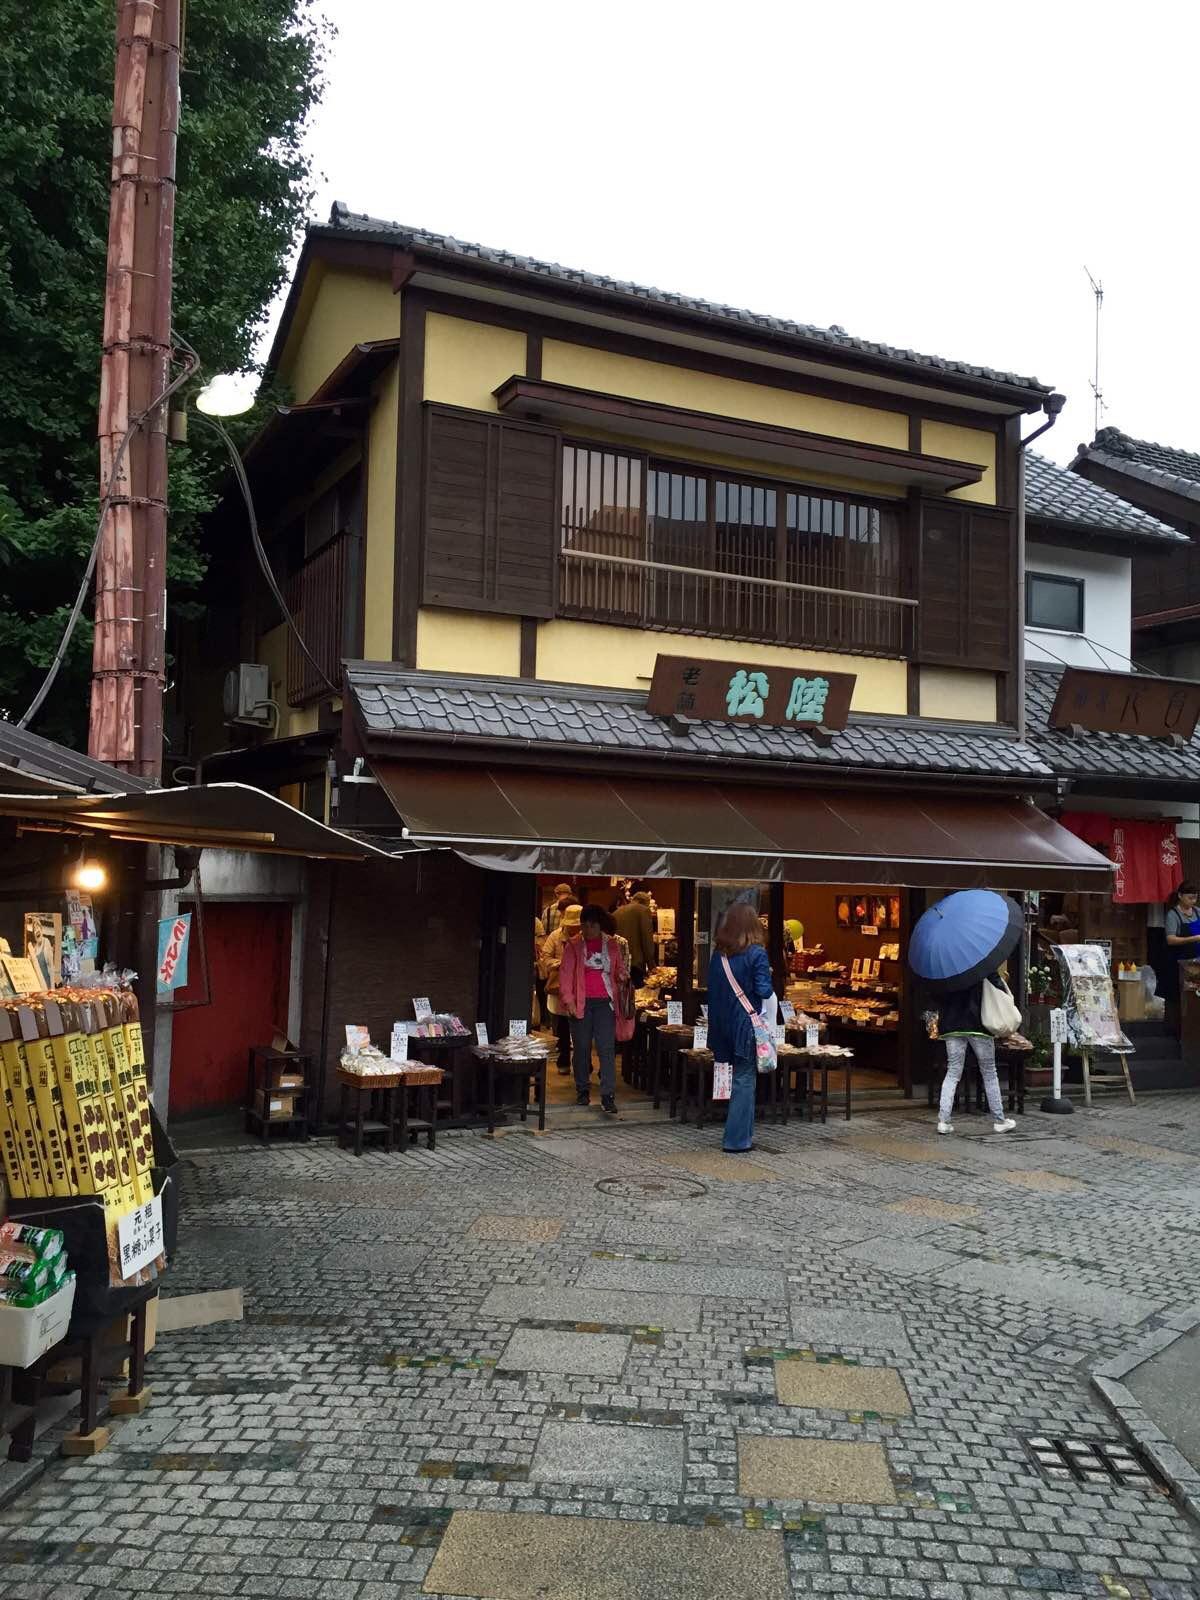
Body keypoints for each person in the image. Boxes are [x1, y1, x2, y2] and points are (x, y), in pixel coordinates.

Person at [707, 902, 776, 1153]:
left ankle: (743, 1135)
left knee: (740, 1078)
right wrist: (767, 973)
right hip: (746, 1026)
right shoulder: (757, 953)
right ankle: (737, 1139)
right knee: (745, 1080)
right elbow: (764, 991)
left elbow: (713, 992)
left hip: (722, 1026)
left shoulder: (718, 955)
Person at [560, 904, 633, 1115]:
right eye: (584, 925)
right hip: (581, 1003)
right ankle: (582, 1089)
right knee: (581, 1048)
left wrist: (621, 976)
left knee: (606, 1049)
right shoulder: (573, 946)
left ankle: (607, 1095)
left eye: (591, 926)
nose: (587, 930)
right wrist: (569, 1001)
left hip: (605, 1003)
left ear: (599, 925)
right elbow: (565, 976)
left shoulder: (611, 944)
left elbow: (619, 969)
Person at [935, 974, 1017, 1135]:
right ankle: (999, 1120)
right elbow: (999, 988)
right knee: (989, 1072)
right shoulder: (982, 966)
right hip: (978, 1025)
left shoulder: (946, 969)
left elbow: (937, 996)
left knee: (952, 1072)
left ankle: (943, 1121)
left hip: (952, 1026)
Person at [539, 903, 582, 1074]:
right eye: (571, 926)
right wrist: (560, 964)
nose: (573, 929)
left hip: (580, 989)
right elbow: (545, 957)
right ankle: (563, 1061)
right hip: (559, 989)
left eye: (577, 926)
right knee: (562, 1029)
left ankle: (582, 1063)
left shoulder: (588, 938)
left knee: (581, 1029)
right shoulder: (556, 936)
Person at [1163, 881, 1200, 1031]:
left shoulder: (1198, 912)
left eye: (1195, 898)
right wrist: (1194, 938)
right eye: (1190, 898)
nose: (1193, 901)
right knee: (1180, 999)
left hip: (1197, 962)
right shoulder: (1173, 914)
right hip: (1179, 963)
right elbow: (1170, 939)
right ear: (1180, 896)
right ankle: (1178, 1032)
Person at [615, 889, 654, 985]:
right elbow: (646, 938)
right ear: (645, 902)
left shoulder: (617, 911)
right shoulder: (643, 910)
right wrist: (651, 965)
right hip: (635, 963)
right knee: (636, 995)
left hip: (618, 962)